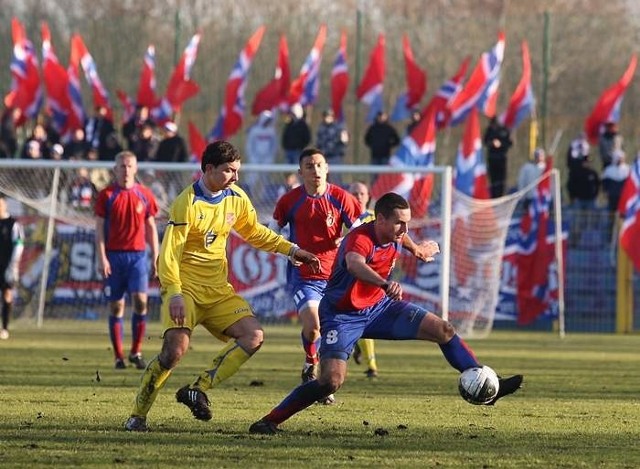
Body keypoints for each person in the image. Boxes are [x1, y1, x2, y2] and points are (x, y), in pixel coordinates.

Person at [249, 192, 523, 434]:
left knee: (444, 330)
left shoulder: (396, 233)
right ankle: (270, 420)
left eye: (407, 222)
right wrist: (383, 283)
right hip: (342, 316)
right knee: (330, 381)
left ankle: (489, 386)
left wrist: (417, 250)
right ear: (380, 220)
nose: (404, 228)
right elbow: (355, 264)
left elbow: (403, 238)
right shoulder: (360, 239)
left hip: (380, 308)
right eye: (399, 222)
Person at [123, 140, 321, 432]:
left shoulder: (235, 197)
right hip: (185, 288)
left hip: (217, 290)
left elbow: (255, 233)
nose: (235, 177)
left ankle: (198, 389)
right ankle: (137, 415)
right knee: (174, 351)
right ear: (209, 169)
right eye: (229, 171)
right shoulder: (186, 202)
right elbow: (169, 254)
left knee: (253, 335)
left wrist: (293, 250)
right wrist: (174, 292)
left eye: (237, 171)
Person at [272, 148, 363, 405]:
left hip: (336, 277)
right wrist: (287, 251)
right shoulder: (290, 200)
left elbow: (361, 232)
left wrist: (344, 239)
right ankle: (311, 363)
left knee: (333, 330)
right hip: (305, 275)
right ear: (301, 172)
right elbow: (272, 231)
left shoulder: (341, 198)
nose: (315, 170)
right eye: (309, 166)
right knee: (313, 328)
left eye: (319, 165)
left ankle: (322, 380)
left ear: (327, 168)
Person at [94, 151, 159, 370]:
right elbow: (99, 229)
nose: (126, 170)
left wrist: (156, 256)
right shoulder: (107, 195)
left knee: (141, 302)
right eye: (122, 166)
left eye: (129, 166)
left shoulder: (145, 194)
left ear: (136, 168)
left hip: (138, 256)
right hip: (114, 256)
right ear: (115, 169)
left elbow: (150, 227)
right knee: (116, 306)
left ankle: (136, 351)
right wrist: (102, 257)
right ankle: (119, 357)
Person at [348, 181, 379, 378]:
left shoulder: (376, 218)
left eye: (362, 193)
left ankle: (372, 366)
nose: (358, 196)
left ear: (368, 196)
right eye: (354, 193)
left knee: (364, 317)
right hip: (345, 273)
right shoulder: (344, 216)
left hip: (369, 273)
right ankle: (355, 345)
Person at [0, 193, 24, 339]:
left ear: (5, 205)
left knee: (7, 294)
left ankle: (5, 328)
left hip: (7, 266)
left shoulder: (13, 224)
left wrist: (14, 263)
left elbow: (19, 244)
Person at [245, 110, 278, 195]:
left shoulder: (271, 131)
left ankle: (264, 195)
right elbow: (249, 144)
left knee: (265, 177)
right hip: (255, 157)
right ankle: (248, 192)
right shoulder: (254, 130)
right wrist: (252, 156)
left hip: (267, 158)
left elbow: (274, 145)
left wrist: (270, 156)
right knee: (253, 175)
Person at [315, 109, 348, 184]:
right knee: (323, 179)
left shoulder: (339, 127)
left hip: (334, 157)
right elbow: (318, 142)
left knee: (335, 179)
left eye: (328, 116)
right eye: (325, 116)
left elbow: (344, 142)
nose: (326, 118)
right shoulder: (321, 127)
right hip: (323, 157)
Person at [483, 116, 513, 198]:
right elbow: (485, 142)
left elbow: (509, 143)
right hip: (492, 158)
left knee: (501, 180)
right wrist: (491, 143)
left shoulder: (504, 130)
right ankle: (493, 196)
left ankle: (501, 195)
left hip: (501, 157)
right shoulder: (489, 130)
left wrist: (501, 144)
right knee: (493, 180)